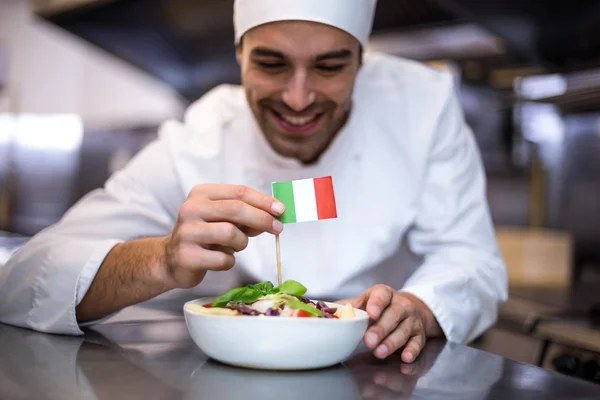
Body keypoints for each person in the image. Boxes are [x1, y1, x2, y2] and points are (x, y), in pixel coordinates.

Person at [0, 0, 507, 364]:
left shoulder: (423, 106)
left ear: (361, 60)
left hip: (382, 367)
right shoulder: (201, 136)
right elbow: (23, 281)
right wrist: (161, 259)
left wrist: (420, 306)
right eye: (271, 63)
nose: (298, 97)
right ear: (240, 55)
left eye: (330, 66)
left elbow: (472, 260)